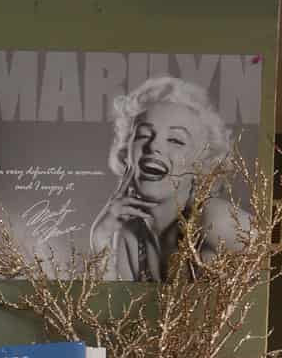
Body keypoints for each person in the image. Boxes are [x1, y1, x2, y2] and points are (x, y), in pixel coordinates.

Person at [90, 76, 247, 281]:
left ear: (202, 164)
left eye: (175, 140)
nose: (153, 146)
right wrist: (100, 236)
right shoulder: (130, 237)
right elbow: (110, 311)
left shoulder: (215, 220)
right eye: (143, 135)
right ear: (127, 152)